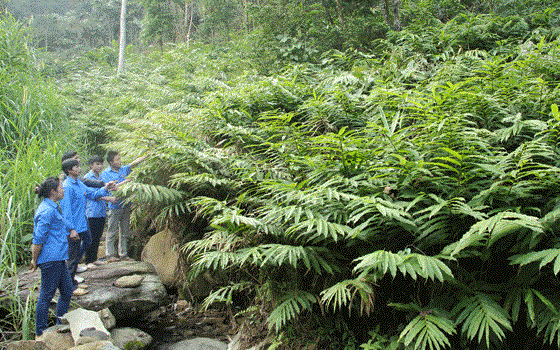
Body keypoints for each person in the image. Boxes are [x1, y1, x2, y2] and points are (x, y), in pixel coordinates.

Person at [31, 177, 78, 337]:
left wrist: (71, 229)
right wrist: (34, 259)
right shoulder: (47, 211)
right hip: (50, 260)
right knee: (46, 295)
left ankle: (60, 324)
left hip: (58, 258)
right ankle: (41, 332)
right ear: (53, 192)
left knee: (67, 291)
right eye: (61, 188)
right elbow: (38, 239)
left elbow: (60, 222)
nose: (64, 190)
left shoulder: (52, 207)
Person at [60, 159, 116, 289]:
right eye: (76, 167)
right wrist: (71, 229)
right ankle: (69, 284)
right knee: (73, 255)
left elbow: (92, 194)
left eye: (79, 166)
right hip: (73, 226)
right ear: (69, 170)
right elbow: (66, 211)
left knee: (88, 242)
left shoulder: (79, 183)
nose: (79, 168)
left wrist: (105, 188)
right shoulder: (67, 186)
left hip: (83, 224)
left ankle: (71, 271)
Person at [101, 150, 146, 261]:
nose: (120, 161)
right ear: (111, 162)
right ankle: (110, 255)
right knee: (111, 231)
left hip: (126, 205)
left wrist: (147, 155)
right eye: (117, 159)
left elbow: (135, 162)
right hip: (114, 206)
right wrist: (127, 181)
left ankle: (123, 254)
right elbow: (112, 187)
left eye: (120, 159)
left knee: (124, 231)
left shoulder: (123, 169)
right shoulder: (106, 173)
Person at [83, 155, 110, 267]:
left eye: (100, 164)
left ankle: (94, 258)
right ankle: (88, 260)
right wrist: (108, 197)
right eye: (97, 164)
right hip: (92, 211)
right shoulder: (87, 178)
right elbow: (92, 195)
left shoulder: (101, 176)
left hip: (101, 211)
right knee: (91, 236)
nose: (100, 166)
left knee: (98, 236)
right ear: (91, 165)